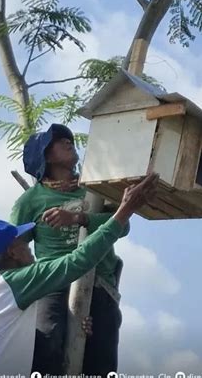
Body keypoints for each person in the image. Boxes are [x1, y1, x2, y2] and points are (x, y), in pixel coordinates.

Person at [0, 173, 158, 378]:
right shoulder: (17, 281)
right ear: (13, 251)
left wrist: (75, 326)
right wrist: (125, 210)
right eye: (23, 242)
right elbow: (77, 261)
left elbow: (34, 339)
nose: (29, 248)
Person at [10, 124, 129, 375]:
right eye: (58, 141)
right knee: (48, 341)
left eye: (68, 138)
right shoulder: (31, 201)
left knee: (100, 363)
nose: (67, 141)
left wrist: (79, 218)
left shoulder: (96, 188)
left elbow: (123, 225)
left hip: (100, 284)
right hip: (53, 284)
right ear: (46, 157)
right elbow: (13, 248)